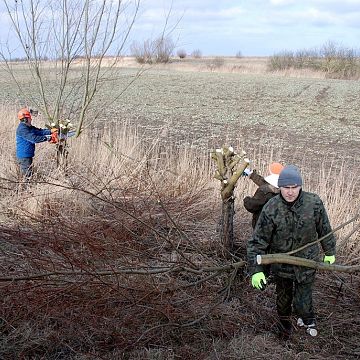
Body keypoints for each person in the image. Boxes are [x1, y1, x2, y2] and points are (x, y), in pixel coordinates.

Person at [247, 165, 336, 339]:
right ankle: (284, 328)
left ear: (300, 186)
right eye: (286, 188)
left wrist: (329, 251)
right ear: (280, 187)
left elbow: (325, 229)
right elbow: (258, 241)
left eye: (294, 187)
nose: (290, 192)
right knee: (283, 300)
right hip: (281, 266)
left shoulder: (314, 203)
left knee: (304, 299)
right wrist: (256, 271)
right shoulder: (271, 207)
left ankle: (308, 319)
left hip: (307, 263)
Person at [16, 108, 57, 180]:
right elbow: (34, 139)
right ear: (25, 119)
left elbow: (40, 132)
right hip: (24, 157)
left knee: (29, 174)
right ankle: (27, 190)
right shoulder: (22, 129)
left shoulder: (29, 128)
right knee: (28, 177)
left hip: (28, 155)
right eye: (30, 118)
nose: (31, 119)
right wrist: (48, 138)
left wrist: (50, 131)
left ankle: (27, 189)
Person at [243, 162, 284, 228]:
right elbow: (264, 183)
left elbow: (252, 206)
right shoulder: (284, 189)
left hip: (262, 226)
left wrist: (246, 199)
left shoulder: (264, 192)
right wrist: (251, 174)